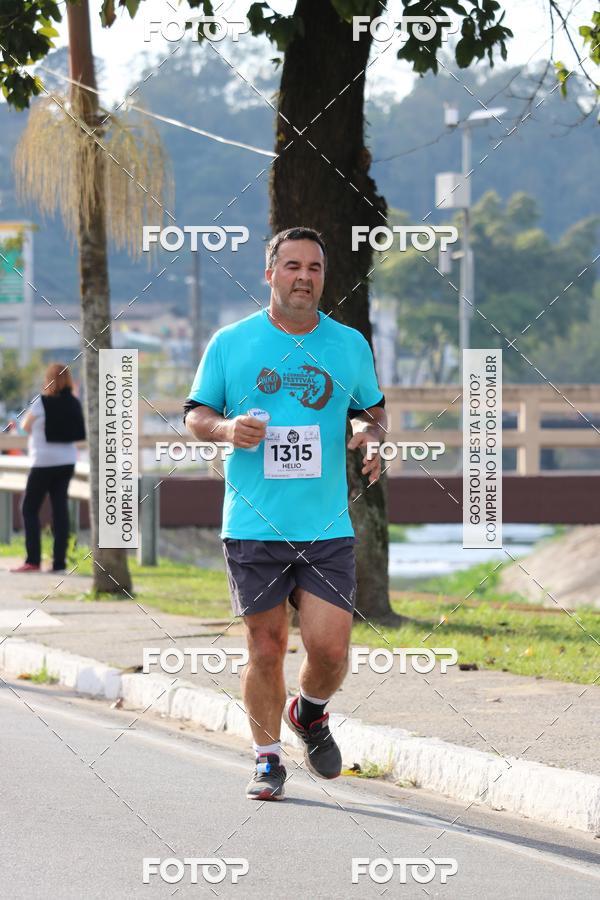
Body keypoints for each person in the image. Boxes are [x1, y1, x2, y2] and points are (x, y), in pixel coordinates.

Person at [184, 227, 387, 801]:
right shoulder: (231, 342)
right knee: (266, 647)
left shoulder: (348, 344)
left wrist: (372, 440)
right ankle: (267, 759)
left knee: (330, 650)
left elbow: (370, 411)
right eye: (292, 266)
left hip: (325, 527)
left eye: (315, 268)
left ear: (324, 277)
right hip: (253, 523)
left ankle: (311, 713)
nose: (304, 277)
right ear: (269, 273)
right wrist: (226, 428)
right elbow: (196, 413)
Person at [10, 363, 86, 574]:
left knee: (29, 508)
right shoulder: (74, 403)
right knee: (59, 510)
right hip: (67, 462)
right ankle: (59, 563)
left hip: (43, 462)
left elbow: (25, 428)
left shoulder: (40, 402)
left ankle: (33, 560)